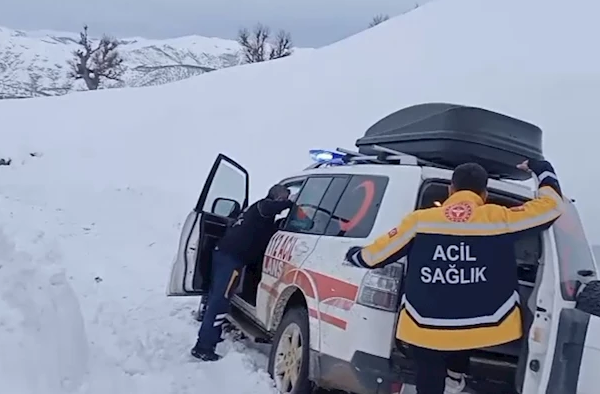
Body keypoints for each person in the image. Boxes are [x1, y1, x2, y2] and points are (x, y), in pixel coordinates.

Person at [345, 159, 564, 394]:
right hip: (483, 322)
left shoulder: (421, 221)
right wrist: (541, 169)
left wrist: (353, 255)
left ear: (451, 189)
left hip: (425, 323)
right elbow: (551, 207)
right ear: (484, 193)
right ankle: (456, 375)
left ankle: (446, 379)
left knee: (428, 366)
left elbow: (376, 256)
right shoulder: (499, 218)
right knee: (464, 331)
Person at [191, 184, 295, 361]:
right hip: (231, 259)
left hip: (225, 255)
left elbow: (265, 232)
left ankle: (211, 336)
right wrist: (293, 203)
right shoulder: (263, 206)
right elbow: (272, 207)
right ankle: (203, 347)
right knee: (220, 301)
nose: (285, 202)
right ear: (278, 199)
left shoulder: (258, 214)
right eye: (284, 198)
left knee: (218, 298)